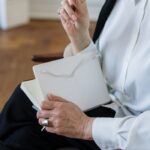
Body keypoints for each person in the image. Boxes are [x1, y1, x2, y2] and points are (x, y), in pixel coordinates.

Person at [0, 0, 150, 149]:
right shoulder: (121, 4)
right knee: (23, 108)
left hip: (132, 133)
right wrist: (80, 37)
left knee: (23, 134)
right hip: (108, 107)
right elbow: (106, 75)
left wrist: (85, 126)